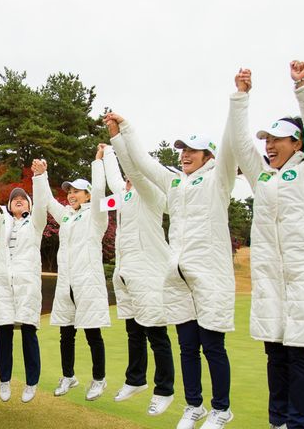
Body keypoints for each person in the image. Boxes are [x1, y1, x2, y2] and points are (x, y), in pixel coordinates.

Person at [228, 62, 304, 429]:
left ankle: (299, 424)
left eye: (277, 139)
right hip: (270, 282)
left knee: (300, 358)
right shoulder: (262, 176)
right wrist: (241, 97)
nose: (269, 144)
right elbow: (239, 142)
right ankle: (277, 421)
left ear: (297, 142)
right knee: (274, 356)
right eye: (267, 139)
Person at [105, 109, 237, 429]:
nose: (185, 155)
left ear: (208, 156)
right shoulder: (174, 181)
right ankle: (194, 406)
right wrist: (120, 132)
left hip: (210, 275)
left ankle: (221, 409)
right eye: (182, 150)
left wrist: (238, 99)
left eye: (192, 150)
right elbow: (141, 164)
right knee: (188, 347)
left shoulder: (219, 178)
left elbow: (233, 146)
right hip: (177, 277)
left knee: (212, 347)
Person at [100, 142, 176, 415]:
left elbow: (138, 173)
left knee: (156, 332)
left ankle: (164, 390)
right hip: (126, 272)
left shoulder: (151, 193)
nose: (130, 177)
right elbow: (115, 180)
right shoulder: (125, 195)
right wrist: (108, 152)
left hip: (149, 271)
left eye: (134, 172)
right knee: (133, 331)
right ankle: (136, 380)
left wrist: (122, 145)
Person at [36, 148, 110, 401]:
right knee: (66, 334)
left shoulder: (97, 215)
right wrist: (41, 176)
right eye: (68, 191)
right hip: (66, 283)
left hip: (88, 283)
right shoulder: (66, 216)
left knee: (92, 333)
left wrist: (98, 163)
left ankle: (99, 380)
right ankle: (69, 376)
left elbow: (101, 193)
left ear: (88, 194)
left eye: (76, 191)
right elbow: (47, 202)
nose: (70, 195)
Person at [0, 160, 47, 403]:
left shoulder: (35, 223)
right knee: (4, 333)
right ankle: (4, 381)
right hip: (3, 285)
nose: (19, 200)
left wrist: (40, 177)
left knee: (28, 333)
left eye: (23, 198)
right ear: (9, 205)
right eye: (15, 198)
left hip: (27, 284)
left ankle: (31, 383)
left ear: (28, 204)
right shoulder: (2, 222)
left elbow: (43, 205)